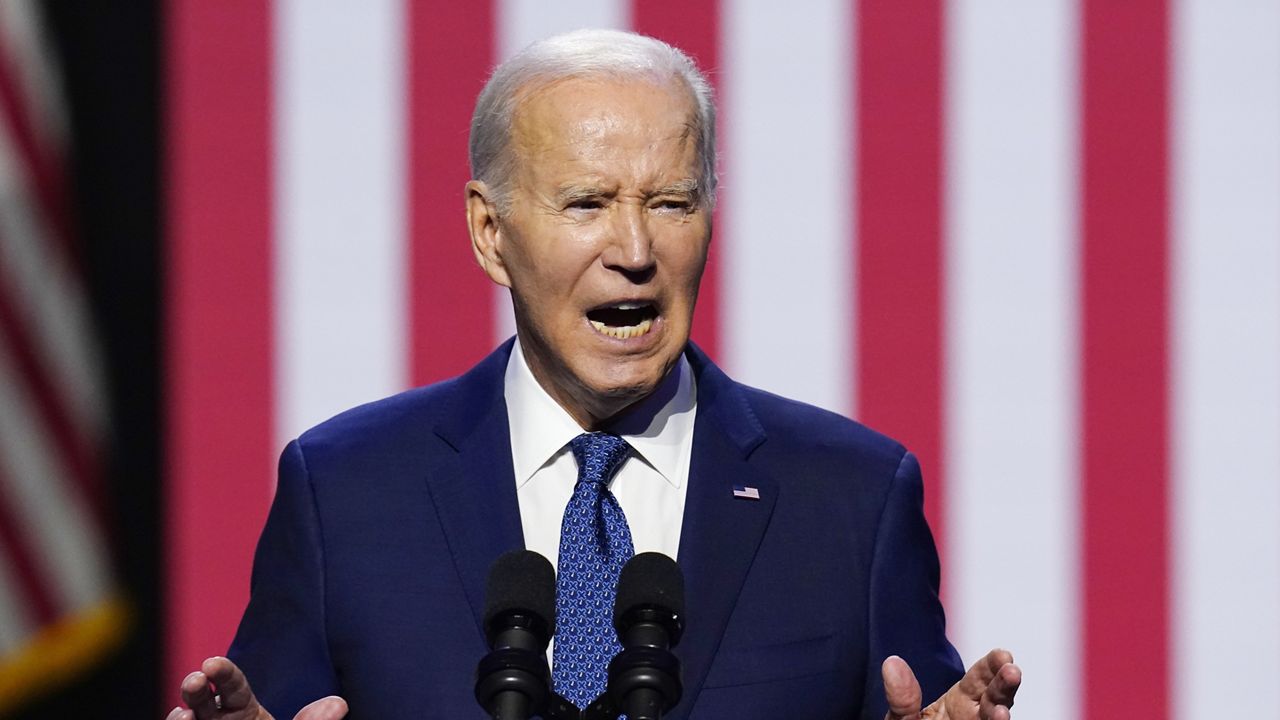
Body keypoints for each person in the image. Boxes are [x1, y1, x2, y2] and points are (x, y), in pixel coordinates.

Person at [167, 29, 1020, 720]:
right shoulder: (346, 493)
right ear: (490, 232)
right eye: (588, 203)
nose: (637, 252)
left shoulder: (852, 498)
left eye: (670, 203)